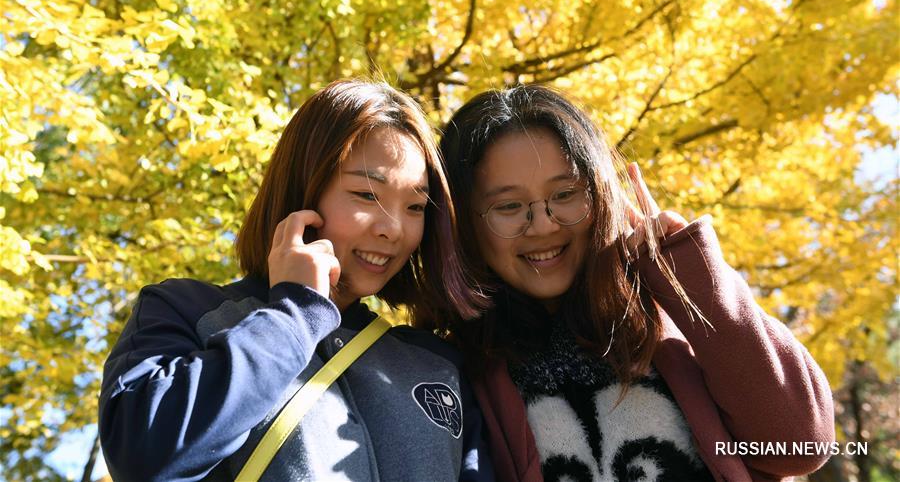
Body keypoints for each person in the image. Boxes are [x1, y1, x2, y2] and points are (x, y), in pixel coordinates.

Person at [434, 85, 834, 482]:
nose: (543, 223)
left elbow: (800, 447)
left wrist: (687, 277)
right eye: (508, 206)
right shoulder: (455, 374)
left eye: (565, 193)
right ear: (463, 223)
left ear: (600, 192)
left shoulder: (671, 317)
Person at [99, 80, 492, 482]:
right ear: (303, 191)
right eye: (366, 195)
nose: (393, 229)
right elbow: (141, 455)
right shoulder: (184, 309)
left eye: (414, 206)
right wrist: (295, 315)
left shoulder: (438, 364)